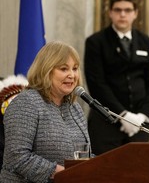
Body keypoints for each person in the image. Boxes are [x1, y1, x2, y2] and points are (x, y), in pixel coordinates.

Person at [0, 41, 90, 182]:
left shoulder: (74, 107)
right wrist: (61, 172)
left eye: (75, 68)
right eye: (64, 69)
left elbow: (83, 156)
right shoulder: (26, 103)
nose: (72, 75)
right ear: (46, 70)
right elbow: (16, 156)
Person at [84, 0, 149, 155]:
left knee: (136, 173)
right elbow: (97, 84)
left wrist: (143, 115)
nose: (122, 14)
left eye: (128, 10)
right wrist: (122, 115)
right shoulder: (96, 42)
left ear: (135, 14)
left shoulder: (146, 42)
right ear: (110, 13)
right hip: (106, 123)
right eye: (118, 10)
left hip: (139, 124)